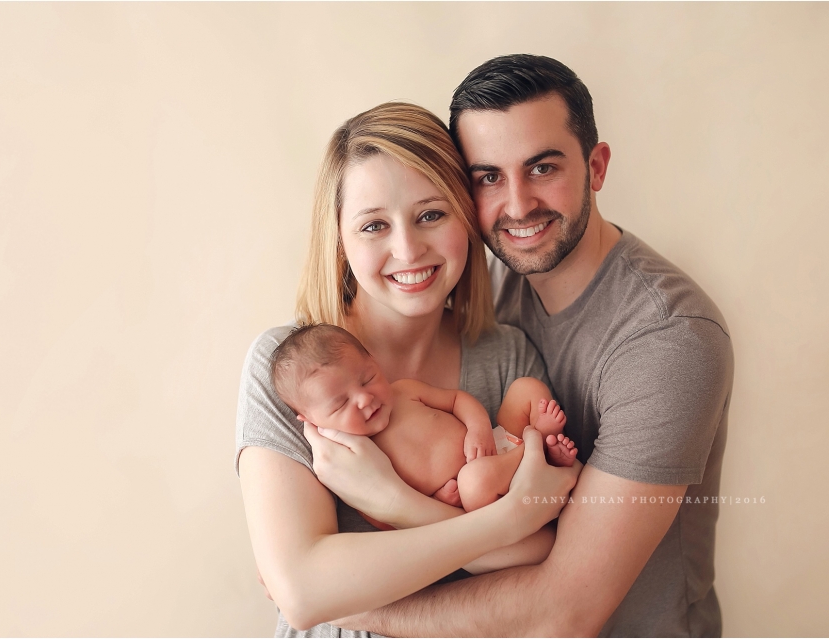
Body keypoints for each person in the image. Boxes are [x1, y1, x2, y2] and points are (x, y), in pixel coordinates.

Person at [313, 55, 735, 636]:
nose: (516, 205)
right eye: (489, 176)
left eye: (542, 168)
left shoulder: (668, 339)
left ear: (597, 165)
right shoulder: (482, 298)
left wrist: (346, 604)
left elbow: (567, 609)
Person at [235, 101, 580, 636]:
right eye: (374, 225)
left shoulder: (506, 356)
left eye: (431, 214)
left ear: (465, 218)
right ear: (340, 240)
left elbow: (539, 558)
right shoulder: (290, 370)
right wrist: (501, 524)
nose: (407, 249)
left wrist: (393, 502)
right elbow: (304, 593)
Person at [269, 322, 577, 519]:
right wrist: (437, 501)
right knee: (474, 480)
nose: (364, 400)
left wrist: (479, 428)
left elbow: (457, 400)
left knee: (526, 388)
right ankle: (540, 449)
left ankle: (536, 442)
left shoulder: (403, 391)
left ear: (375, 362)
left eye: (367, 379)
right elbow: (385, 517)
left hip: (497, 441)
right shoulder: (355, 459)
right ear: (310, 420)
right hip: (479, 489)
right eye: (340, 404)